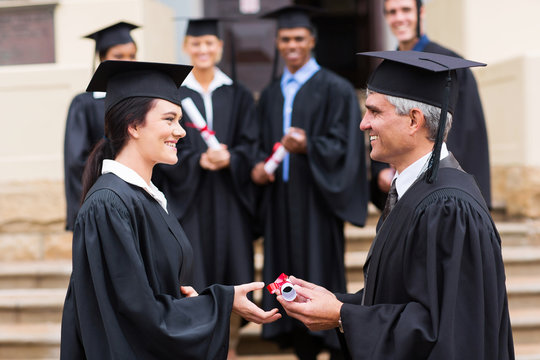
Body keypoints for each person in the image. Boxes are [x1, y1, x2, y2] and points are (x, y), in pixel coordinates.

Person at [276, 50, 514, 359]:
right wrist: (337, 303)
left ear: (414, 120)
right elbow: (401, 299)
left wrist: (342, 316)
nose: (363, 124)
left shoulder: (448, 208)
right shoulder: (414, 191)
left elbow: (446, 332)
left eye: (374, 112)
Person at [60, 60, 281, 359]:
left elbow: (148, 296)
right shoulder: (109, 205)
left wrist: (188, 302)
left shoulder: (145, 197)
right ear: (134, 125)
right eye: (169, 120)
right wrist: (221, 302)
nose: (181, 131)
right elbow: (135, 313)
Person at [251, 5, 369, 359]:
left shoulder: (335, 89)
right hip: (280, 201)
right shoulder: (271, 93)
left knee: (320, 273)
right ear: (276, 42)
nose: (292, 45)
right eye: (285, 39)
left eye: (299, 38)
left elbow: (344, 145)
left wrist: (308, 146)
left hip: (318, 199)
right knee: (285, 274)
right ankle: (297, 339)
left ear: (312, 41)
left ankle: (332, 340)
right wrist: (259, 167)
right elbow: (260, 144)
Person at [151, 18, 258, 359]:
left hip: (230, 200)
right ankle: (201, 346)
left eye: (210, 43)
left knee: (232, 266)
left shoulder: (238, 93)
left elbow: (251, 143)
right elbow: (163, 142)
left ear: (220, 47)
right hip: (191, 202)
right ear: (186, 48)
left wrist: (232, 159)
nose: (203, 50)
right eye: (196, 44)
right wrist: (197, 161)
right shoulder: (176, 94)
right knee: (196, 271)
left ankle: (233, 344)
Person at [370, 0, 491, 210]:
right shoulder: (387, 67)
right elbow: (379, 118)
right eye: (392, 12)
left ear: (421, 12)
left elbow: (467, 132)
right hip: (400, 189)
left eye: (406, 10)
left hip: (438, 190)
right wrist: (381, 168)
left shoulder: (449, 64)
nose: (399, 18)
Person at [63, 21, 139, 231]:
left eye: (132, 56)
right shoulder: (85, 103)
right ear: (102, 58)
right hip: (102, 199)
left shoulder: (140, 101)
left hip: (138, 198)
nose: (127, 61)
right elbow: (76, 162)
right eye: (118, 55)